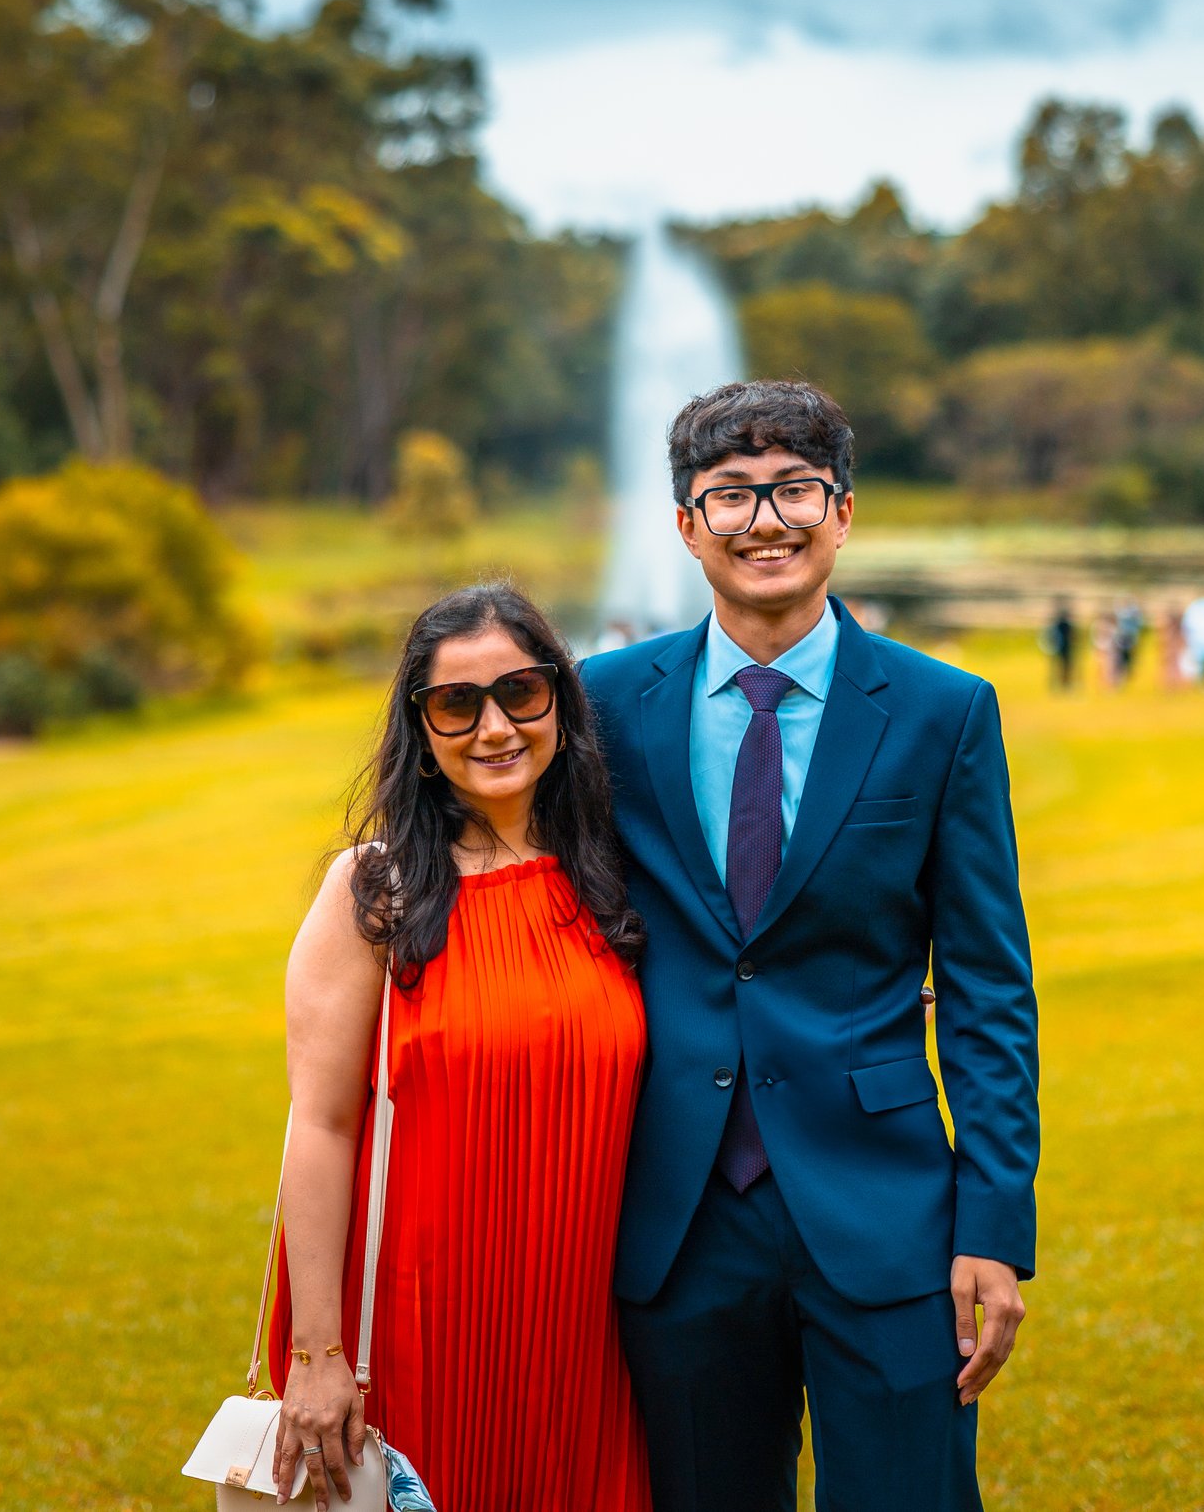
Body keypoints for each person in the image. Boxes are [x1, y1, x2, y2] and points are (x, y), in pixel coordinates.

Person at [582, 380, 1039, 1512]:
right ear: (685, 525)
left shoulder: (943, 710)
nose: (764, 520)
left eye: (793, 488)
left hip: (885, 1208)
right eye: (728, 495)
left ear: (842, 512)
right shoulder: (602, 704)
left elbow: (986, 987)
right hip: (674, 1215)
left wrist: (993, 1220)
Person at [269, 583, 652, 1512]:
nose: (495, 727)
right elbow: (319, 1125)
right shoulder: (376, 890)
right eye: (457, 703)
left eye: (522, 692)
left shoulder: (617, 872)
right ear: (420, 727)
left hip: (582, 1332)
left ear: (560, 698)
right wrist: (316, 1356)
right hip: (417, 1323)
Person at [1043, 595, 1077, 692]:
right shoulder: (1064, 625)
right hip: (1063, 648)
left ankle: (1060, 684)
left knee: (1060, 667)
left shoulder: (1057, 624)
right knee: (1063, 667)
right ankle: (1063, 684)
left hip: (1059, 648)